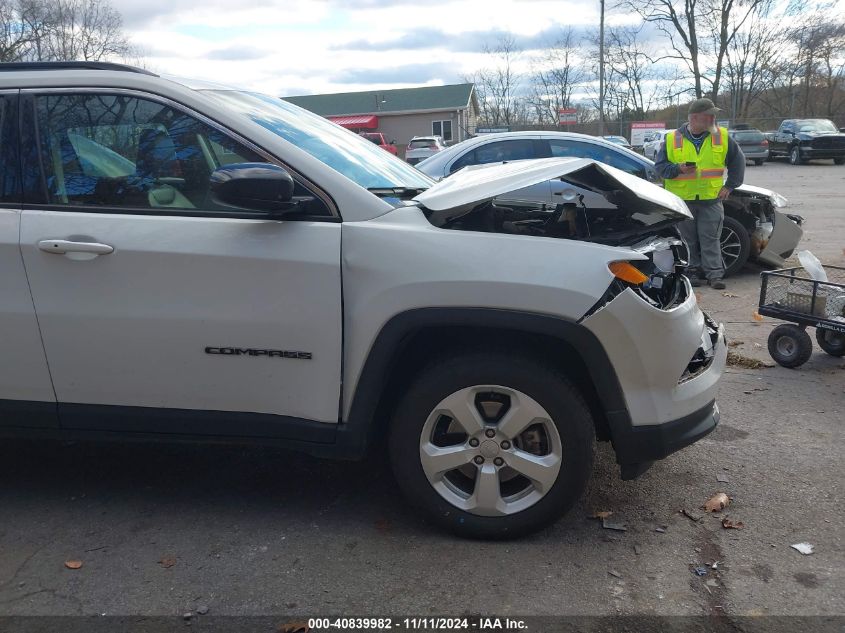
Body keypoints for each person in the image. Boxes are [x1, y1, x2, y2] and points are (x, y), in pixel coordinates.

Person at [654, 98, 745, 289]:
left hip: (711, 199)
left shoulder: (721, 136)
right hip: (682, 201)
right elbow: (661, 168)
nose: (713, 118)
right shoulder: (672, 139)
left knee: (711, 238)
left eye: (713, 115)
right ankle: (692, 272)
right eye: (709, 115)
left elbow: (738, 162)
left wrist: (730, 186)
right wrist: (678, 169)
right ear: (695, 118)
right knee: (687, 241)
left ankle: (715, 275)